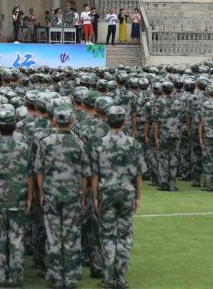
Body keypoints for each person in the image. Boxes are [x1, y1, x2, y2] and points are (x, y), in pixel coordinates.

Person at [36, 105, 89, 289]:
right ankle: (70, 278)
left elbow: (39, 171)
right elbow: (85, 173)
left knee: (53, 237)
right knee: (71, 236)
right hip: (73, 194)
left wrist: (42, 192)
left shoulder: (46, 142)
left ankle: (55, 277)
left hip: (52, 194)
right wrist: (83, 194)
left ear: (54, 121)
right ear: (72, 121)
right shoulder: (79, 142)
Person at [92, 105, 144, 289]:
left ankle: (108, 278)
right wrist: (138, 197)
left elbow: (95, 174)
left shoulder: (99, 144)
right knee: (124, 236)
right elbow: (139, 174)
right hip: (127, 192)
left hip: (106, 192)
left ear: (107, 120)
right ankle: (120, 278)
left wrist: (95, 198)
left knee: (107, 235)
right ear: (124, 121)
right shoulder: (134, 144)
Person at [0, 105, 31, 288]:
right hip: (19, 197)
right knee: (16, 239)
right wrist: (30, 197)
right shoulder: (25, 147)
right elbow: (30, 175)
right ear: (15, 126)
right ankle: (16, 276)